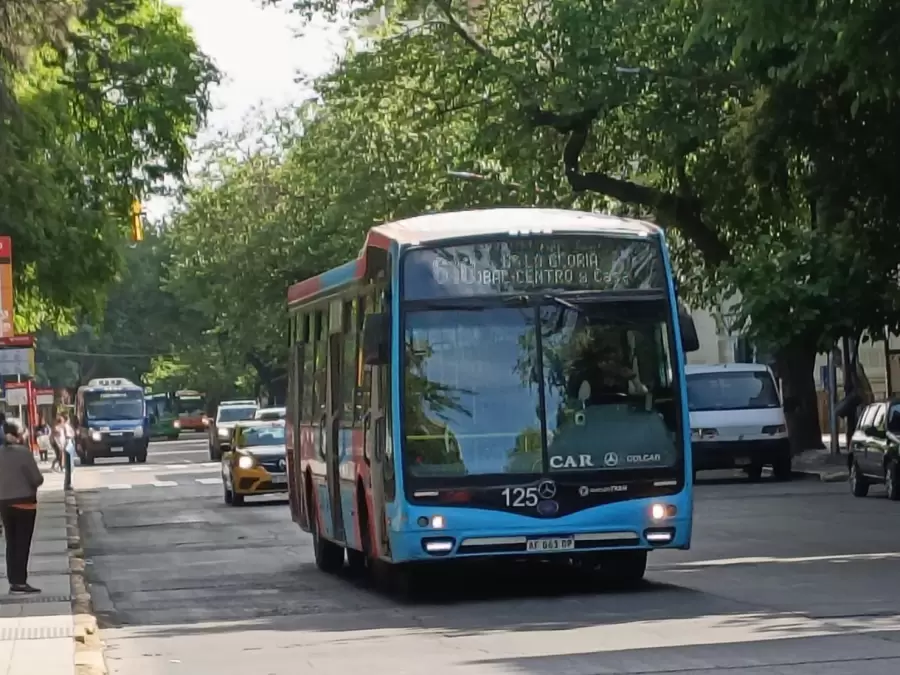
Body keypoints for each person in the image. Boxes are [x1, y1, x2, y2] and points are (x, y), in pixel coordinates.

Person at [0, 419, 44, 593]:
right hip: (24, 503)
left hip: (4, 503)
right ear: (19, 434)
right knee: (22, 543)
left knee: (11, 542)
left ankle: (13, 580)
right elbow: (37, 479)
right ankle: (20, 581)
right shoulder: (23, 453)